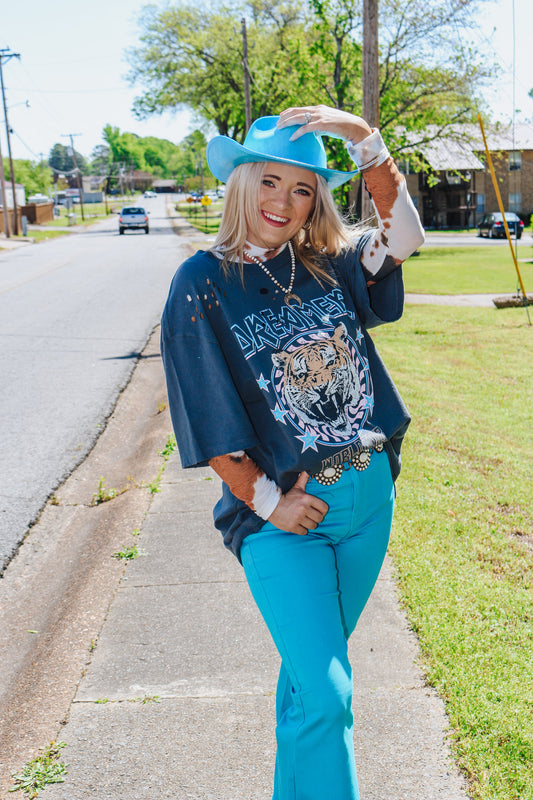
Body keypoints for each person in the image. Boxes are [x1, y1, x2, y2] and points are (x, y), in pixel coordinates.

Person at [161, 105, 424, 800]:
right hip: (289, 521)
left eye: (302, 188)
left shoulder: (326, 263)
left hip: (368, 500)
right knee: (329, 692)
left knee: (312, 687)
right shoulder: (202, 283)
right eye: (270, 182)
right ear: (241, 183)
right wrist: (268, 502)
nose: (283, 201)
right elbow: (206, 411)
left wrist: (357, 133)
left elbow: (404, 231)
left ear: (316, 201)